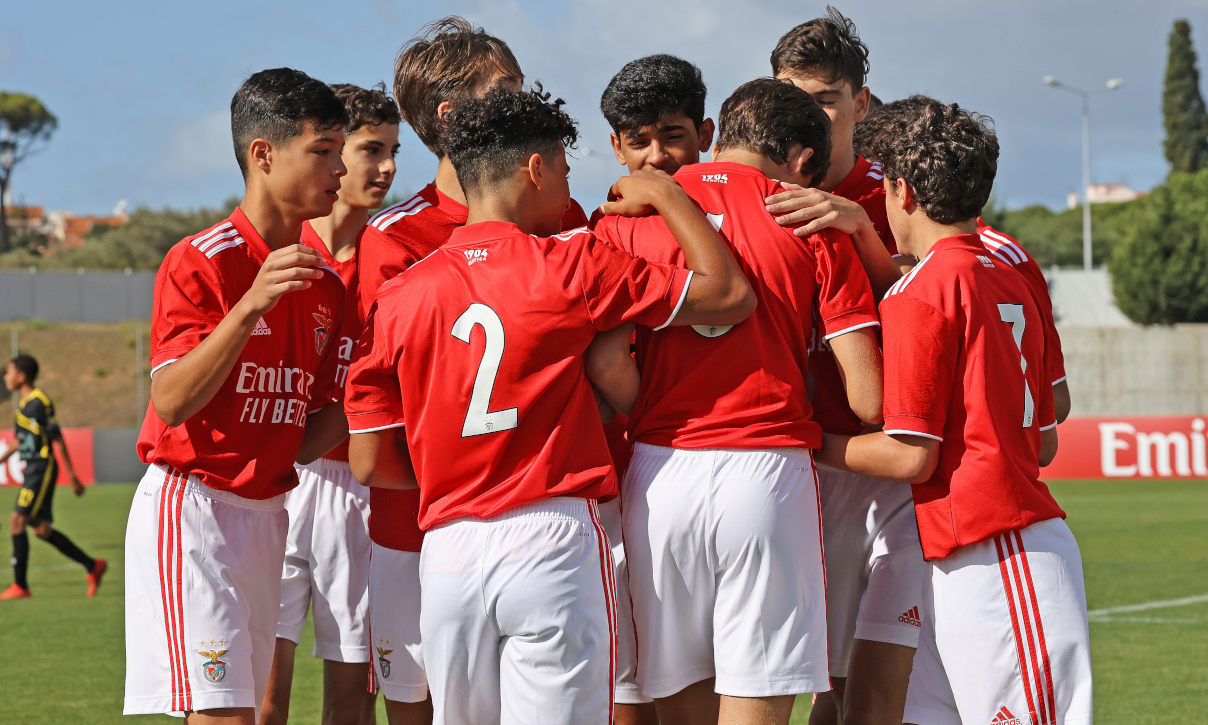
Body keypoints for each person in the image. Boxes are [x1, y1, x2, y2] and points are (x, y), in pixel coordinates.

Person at [345, 84, 755, 725]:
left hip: (447, 548)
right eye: (563, 169)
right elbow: (728, 294)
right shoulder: (571, 260)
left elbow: (370, 462)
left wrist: (466, 470)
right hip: (552, 536)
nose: (569, 191)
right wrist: (669, 195)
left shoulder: (401, 295)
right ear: (535, 168)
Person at [593, 78, 883, 725]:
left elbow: (606, 362)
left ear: (719, 136)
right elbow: (869, 398)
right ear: (802, 159)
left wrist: (662, 406)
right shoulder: (809, 218)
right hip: (768, 471)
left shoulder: (627, 215)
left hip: (660, 474)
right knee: (760, 692)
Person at [817, 97, 1092, 725]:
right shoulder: (1009, 271)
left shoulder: (920, 289)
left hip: (996, 548)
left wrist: (801, 438)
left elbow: (909, 454)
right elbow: (1044, 438)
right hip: (985, 547)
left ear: (903, 190)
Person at [352, 17, 588, 724]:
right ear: (453, 116)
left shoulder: (564, 212)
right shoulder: (396, 238)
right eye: (508, 89)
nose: (529, 100)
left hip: (556, 515)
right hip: (426, 530)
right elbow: (389, 411)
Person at [123, 67, 350, 723]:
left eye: (340, 150)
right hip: (195, 510)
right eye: (322, 150)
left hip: (269, 514)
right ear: (263, 154)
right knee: (224, 716)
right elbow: (170, 401)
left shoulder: (327, 287)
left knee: (246, 713)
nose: (338, 169)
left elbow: (300, 438)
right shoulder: (202, 260)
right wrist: (250, 305)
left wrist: (380, 390)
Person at [762, 11, 927, 724]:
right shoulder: (752, 194)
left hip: (893, 464)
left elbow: (938, 306)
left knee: (881, 689)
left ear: (861, 104)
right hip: (797, 466)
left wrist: (861, 234)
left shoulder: (901, 193)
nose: (807, 115)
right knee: (818, 687)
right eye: (792, 97)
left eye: (826, 100)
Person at [258, 82, 400, 725]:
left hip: (362, 484)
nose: (385, 168)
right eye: (371, 149)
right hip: (282, 481)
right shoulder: (282, 257)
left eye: (393, 151)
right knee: (263, 695)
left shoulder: (395, 258)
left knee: (351, 700)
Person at [594, 52, 716, 725]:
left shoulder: (750, 215)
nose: (656, 156)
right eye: (638, 140)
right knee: (637, 687)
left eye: (672, 135)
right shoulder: (608, 229)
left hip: (714, 465)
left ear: (706, 132)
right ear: (616, 146)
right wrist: (662, 415)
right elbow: (605, 361)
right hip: (635, 472)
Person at [0, 353, 105, 600]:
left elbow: (56, 437)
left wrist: (73, 475)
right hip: (32, 468)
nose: (5, 377)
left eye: (9, 372)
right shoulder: (22, 407)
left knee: (17, 521)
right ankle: (92, 566)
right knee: (40, 528)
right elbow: (18, 441)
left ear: (21, 376)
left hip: (42, 466)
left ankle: (20, 586)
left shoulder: (40, 402)